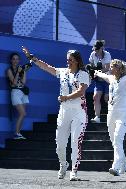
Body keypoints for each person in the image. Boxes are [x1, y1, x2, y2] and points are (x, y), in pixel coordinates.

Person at [22, 47, 90, 181]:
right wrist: (33, 59)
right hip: (64, 112)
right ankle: (63, 164)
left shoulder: (83, 74)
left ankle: (74, 172)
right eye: (67, 60)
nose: (68, 62)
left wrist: (66, 97)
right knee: (59, 144)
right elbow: (47, 67)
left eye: (70, 60)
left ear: (77, 61)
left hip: (79, 112)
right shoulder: (63, 72)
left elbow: (81, 91)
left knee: (76, 142)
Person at [6, 53, 29, 140]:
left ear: (19, 60)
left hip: (23, 92)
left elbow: (23, 82)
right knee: (23, 113)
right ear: (11, 60)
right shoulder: (9, 70)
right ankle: (16, 133)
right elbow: (14, 83)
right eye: (14, 59)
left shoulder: (21, 69)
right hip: (15, 92)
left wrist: (24, 72)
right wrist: (18, 72)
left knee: (22, 114)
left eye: (17, 59)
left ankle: (18, 133)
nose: (15, 61)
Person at [88, 40, 111, 123]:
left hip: (107, 79)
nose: (95, 51)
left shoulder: (107, 54)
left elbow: (107, 68)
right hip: (98, 80)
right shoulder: (93, 54)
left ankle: (112, 116)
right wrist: (91, 70)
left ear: (101, 48)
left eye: (97, 49)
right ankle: (97, 117)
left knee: (106, 98)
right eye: (95, 49)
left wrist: (97, 71)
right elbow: (91, 65)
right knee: (96, 97)